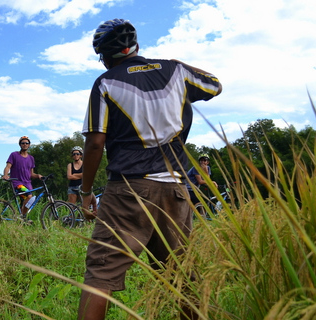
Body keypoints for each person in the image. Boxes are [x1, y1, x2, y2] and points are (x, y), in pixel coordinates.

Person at [77, 19, 222, 320]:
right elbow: (214, 85)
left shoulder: (105, 83)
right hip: (174, 190)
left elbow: (94, 144)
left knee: (100, 275)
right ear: (136, 45)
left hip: (127, 192)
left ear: (104, 55)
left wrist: (86, 191)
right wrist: (173, 64)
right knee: (181, 275)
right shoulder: (176, 71)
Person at [2, 136, 43, 218]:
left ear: (29, 145)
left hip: (28, 183)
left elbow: (31, 174)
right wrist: (6, 175)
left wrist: (38, 176)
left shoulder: (31, 158)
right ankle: (21, 216)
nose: (25, 144)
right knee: (29, 196)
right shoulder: (14, 155)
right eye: (23, 143)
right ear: (20, 145)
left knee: (27, 202)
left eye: (26, 143)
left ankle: (21, 219)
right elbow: (8, 167)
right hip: (17, 183)